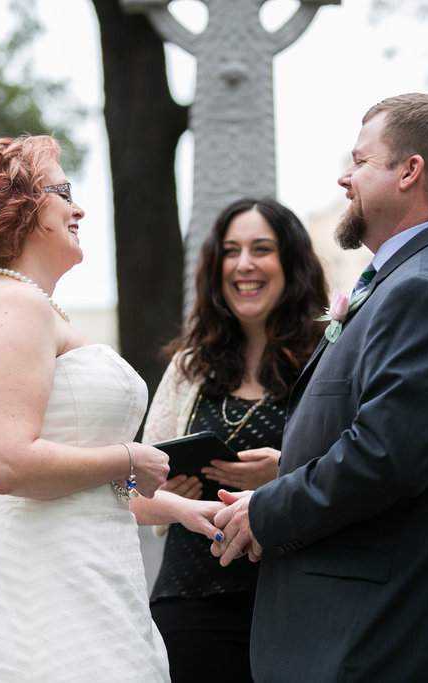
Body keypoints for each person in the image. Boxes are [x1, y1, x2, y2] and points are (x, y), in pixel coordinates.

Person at [212, 93, 428, 681]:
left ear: (410, 172)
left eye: (360, 161)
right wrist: (294, 464)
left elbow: (385, 457)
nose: (343, 177)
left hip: (380, 644)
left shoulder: (426, 291)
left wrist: (267, 510)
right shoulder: (417, 281)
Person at [0, 135, 221, 682]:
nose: (79, 208)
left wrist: (175, 508)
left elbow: (70, 486)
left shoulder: (32, 306)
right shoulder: (12, 302)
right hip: (32, 590)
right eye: (63, 191)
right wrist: (128, 456)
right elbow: (8, 465)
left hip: (79, 573)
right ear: (18, 205)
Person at [131, 197, 328, 682]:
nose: (244, 264)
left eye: (261, 249)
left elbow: (354, 474)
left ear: (290, 262)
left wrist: (284, 471)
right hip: (191, 604)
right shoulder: (187, 369)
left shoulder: (329, 361)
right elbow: (124, 491)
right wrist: (171, 503)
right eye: (231, 250)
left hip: (296, 602)